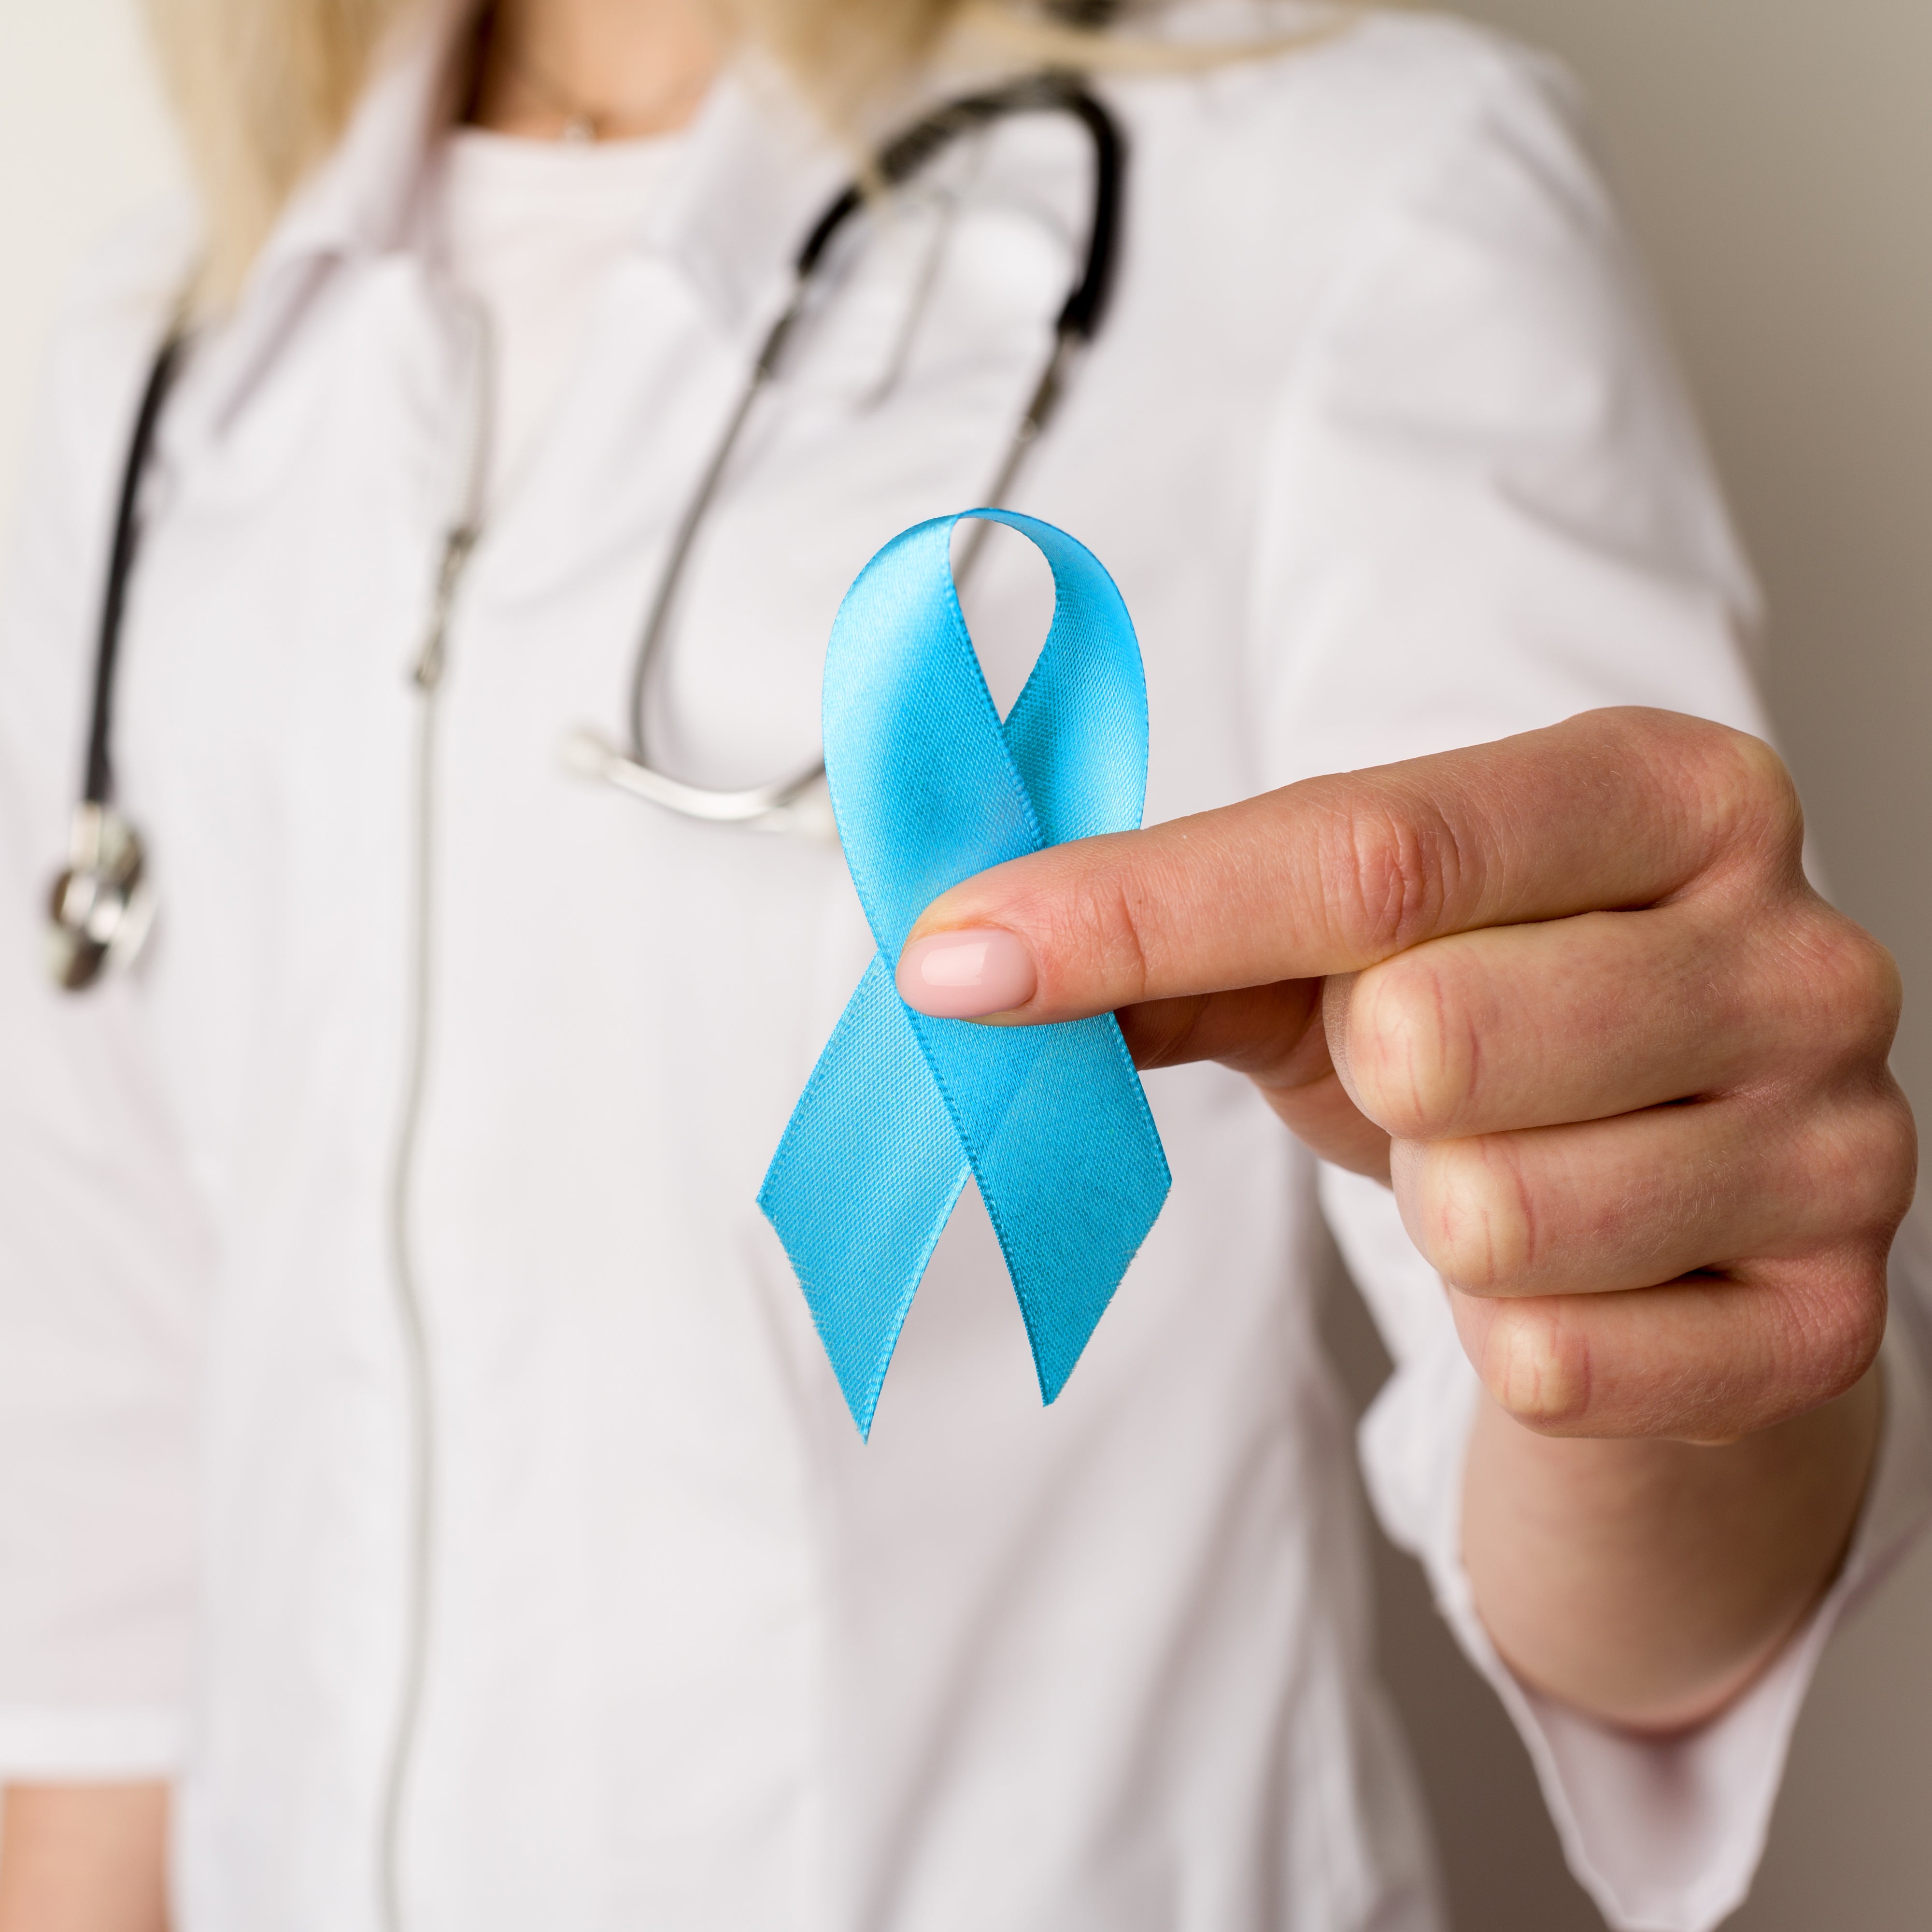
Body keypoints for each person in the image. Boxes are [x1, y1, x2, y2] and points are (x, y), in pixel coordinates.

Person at [0, 0, 1924, 1928]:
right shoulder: (173, 361)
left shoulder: (1346, 197)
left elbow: (1659, 1542)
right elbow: (106, 1588)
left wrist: (1664, 1305)